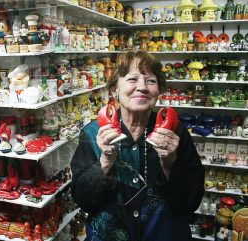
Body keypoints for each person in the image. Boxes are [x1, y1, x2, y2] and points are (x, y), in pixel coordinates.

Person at [70, 51, 205, 241]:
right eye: (132, 79)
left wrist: (169, 162)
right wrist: (105, 162)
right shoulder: (93, 134)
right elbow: (83, 200)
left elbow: (191, 201)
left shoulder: (175, 133)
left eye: (150, 81)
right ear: (115, 89)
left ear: (159, 91)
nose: (142, 87)